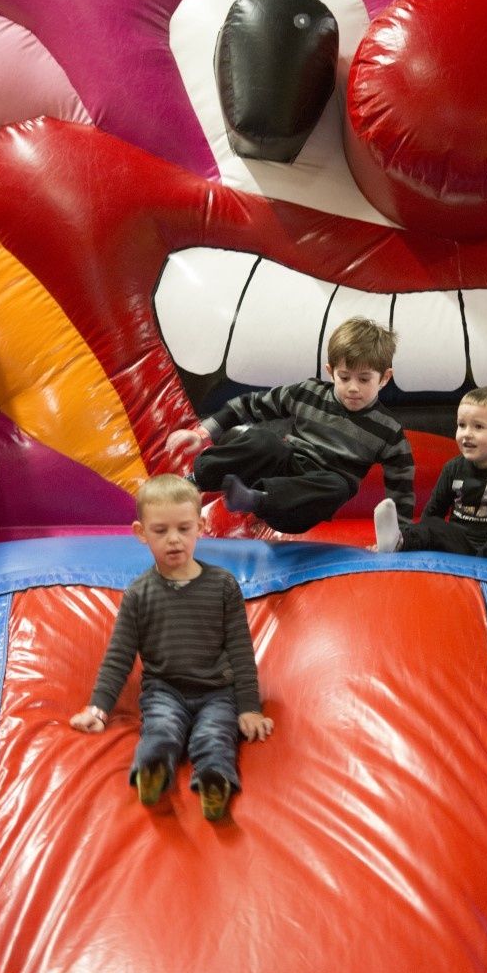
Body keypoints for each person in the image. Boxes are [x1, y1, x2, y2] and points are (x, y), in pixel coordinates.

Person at [70, 474, 273, 821]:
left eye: (183, 528)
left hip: (217, 691)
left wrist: (249, 708)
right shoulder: (139, 594)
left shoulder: (223, 586)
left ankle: (214, 781)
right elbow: (119, 656)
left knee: (215, 734)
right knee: (161, 729)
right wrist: (98, 709)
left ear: (200, 527)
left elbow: (240, 650)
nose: (174, 539)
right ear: (141, 533)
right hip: (164, 690)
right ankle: (152, 770)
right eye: (160, 531)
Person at [165, 317, 415, 533]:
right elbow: (251, 404)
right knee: (265, 440)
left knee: (341, 487)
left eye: (364, 380)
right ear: (331, 371)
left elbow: (401, 486)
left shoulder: (387, 429)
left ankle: (256, 499)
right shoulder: (310, 393)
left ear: (384, 378)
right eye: (344, 377)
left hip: (299, 504)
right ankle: (194, 481)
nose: (353, 388)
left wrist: (399, 533)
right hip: (283, 468)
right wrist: (203, 432)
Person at [373, 385, 487, 564]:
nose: (466, 434)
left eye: (478, 427)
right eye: (462, 425)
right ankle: (397, 542)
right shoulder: (453, 469)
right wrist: (417, 536)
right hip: (459, 546)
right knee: (434, 524)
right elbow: (433, 512)